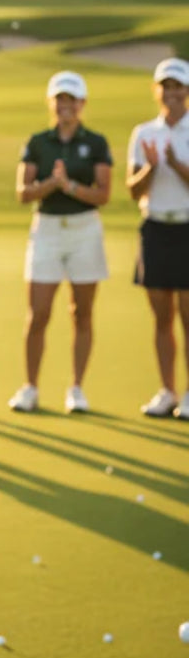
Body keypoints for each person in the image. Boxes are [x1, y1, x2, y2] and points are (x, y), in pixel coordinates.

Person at [9, 71, 112, 414]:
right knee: (38, 313)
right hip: (47, 229)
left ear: (81, 104)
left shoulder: (96, 142)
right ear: (52, 103)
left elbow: (103, 194)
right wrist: (51, 185)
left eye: (72, 99)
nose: (65, 105)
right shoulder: (38, 142)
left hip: (85, 229)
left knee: (81, 312)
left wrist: (68, 187)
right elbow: (23, 193)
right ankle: (30, 387)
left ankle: (77, 388)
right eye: (60, 99)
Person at [127, 57, 189, 420]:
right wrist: (152, 167)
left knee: (188, 314)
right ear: (158, 91)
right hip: (155, 228)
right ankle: (167, 391)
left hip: (187, 226)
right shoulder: (144, 133)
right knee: (161, 316)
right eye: (166, 86)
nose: (172, 93)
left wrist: (175, 162)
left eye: (178, 86)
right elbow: (133, 191)